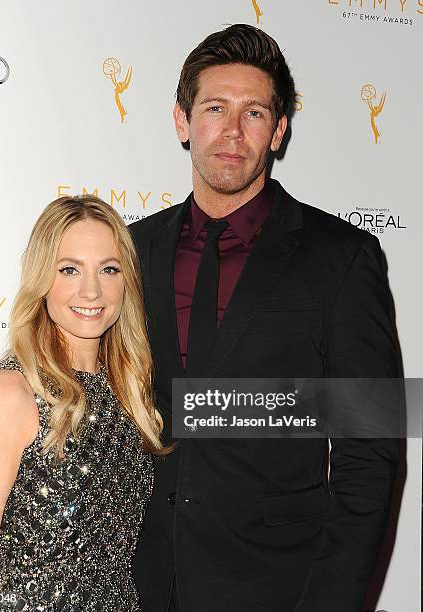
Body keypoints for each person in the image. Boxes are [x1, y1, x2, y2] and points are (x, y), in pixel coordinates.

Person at [129, 24, 400, 612]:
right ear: (182, 122)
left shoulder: (343, 258)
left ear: (278, 131)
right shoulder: (129, 251)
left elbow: (371, 454)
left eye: (253, 112)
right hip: (137, 584)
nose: (232, 131)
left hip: (277, 587)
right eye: (215, 108)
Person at [0, 195, 168, 611]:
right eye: (69, 269)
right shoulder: (12, 395)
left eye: (109, 269)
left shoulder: (130, 392)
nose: (92, 290)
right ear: (42, 281)